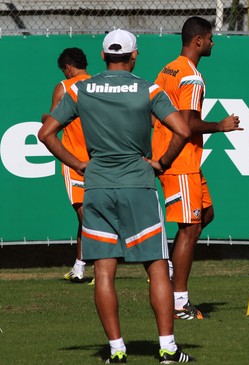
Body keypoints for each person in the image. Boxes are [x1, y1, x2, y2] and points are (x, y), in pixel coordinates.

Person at [38, 29, 195, 363]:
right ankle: (167, 348)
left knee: (105, 271)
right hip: (138, 185)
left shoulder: (80, 90)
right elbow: (183, 130)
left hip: (97, 185)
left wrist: (79, 163)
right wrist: (162, 162)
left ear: (103, 56)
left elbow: (46, 133)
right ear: (134, 55)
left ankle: (117, 350)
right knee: (156, 267)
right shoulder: (148, 88)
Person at [151, 16, 242, 320]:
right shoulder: (190, 76)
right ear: (199, 41)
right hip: (181, 161)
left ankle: (172, 271)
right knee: (189, 229)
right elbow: (188, 124)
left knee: (205, 215)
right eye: (211, 38)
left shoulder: (168, 68)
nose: (213, 43)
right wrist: (220, 125)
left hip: (180, 159)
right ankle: (179, 302)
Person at [50, 47, 92, 284]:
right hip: (100, 160)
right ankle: (79, 268)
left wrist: (46, 119)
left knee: (88, 217)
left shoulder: (64, 87)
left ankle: (104, 266)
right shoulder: (98, 84)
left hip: (74, 162)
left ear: (67, 67)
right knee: (86, 217)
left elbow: (52, 124)